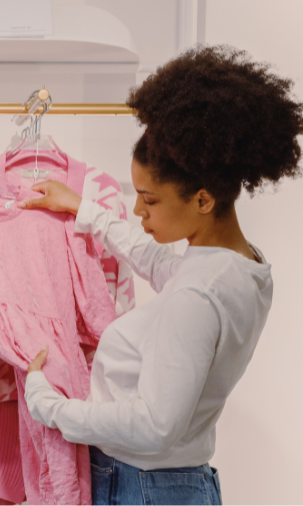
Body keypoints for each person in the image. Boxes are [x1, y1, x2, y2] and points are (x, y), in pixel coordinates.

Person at [17, 45, 303, 505]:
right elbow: (156, 260)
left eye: (149, 200)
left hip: (144, 488)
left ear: (203, 200)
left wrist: (52, 408)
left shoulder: (197, 295)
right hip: (171, 486)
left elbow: (155, 426)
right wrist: (83, 208)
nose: (136, 210)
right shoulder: (242, 266)